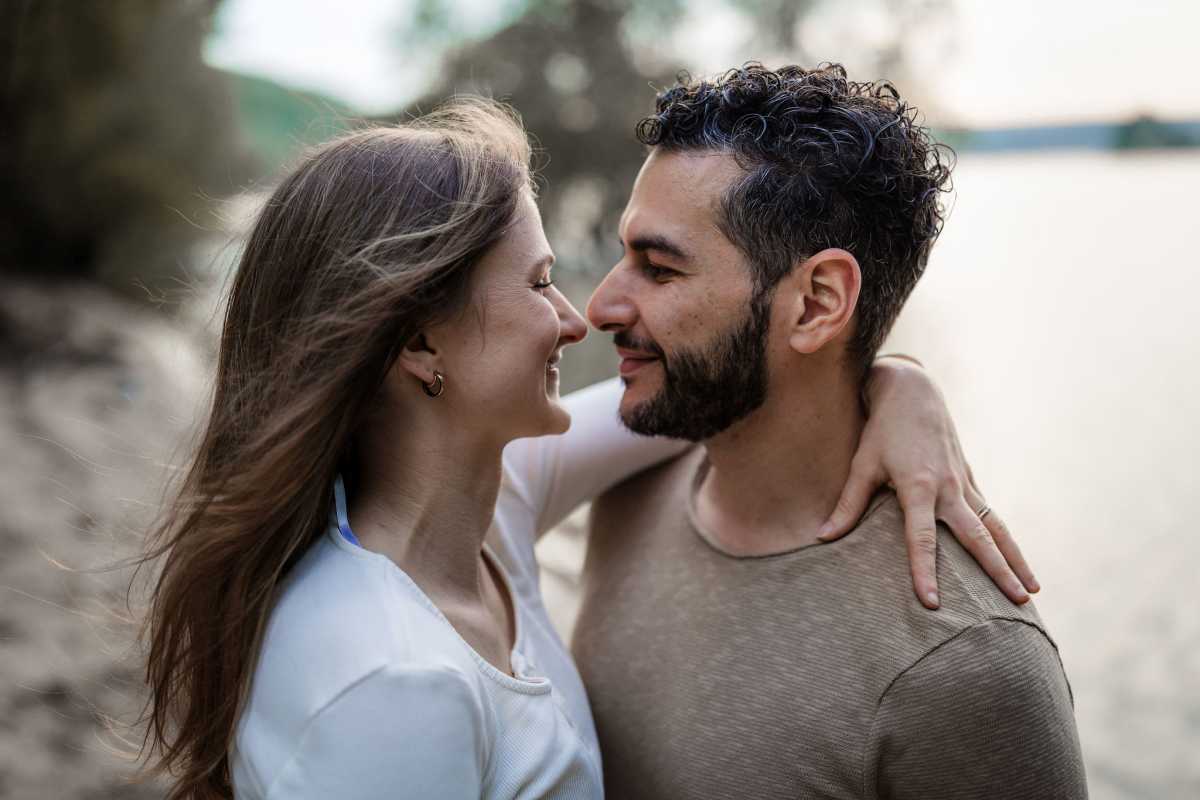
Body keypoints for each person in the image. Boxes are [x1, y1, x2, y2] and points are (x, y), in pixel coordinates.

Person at [138, 96, 1035, 800]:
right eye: (539, 283)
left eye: (657, 266)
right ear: (418, 345)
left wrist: (899, 381)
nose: (584, 315)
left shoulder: (485, 505)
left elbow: (715, 390)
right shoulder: (391, 681)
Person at [571, 63, 1087, 800]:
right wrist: (902, 375)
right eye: (624, 255)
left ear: (816, 303)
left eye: (658, 269)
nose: (600, 306)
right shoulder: (626, 479)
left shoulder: (967, 669)